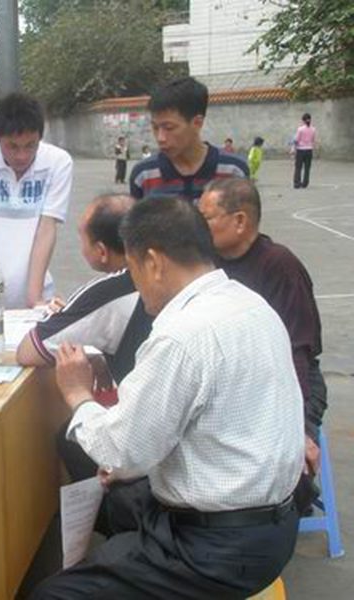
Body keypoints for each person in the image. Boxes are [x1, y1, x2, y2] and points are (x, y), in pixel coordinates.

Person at [34, 196, 304, 599]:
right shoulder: (251, 304)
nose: (135, 284)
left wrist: (77, 393)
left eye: (133, 269)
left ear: (154, 262)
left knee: (53, 594)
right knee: (118, 498)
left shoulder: (181, 335)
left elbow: (119, 451)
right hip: (275, 525)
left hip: (217, 548)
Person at [198, 177, 326, 483]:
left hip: (288, 378)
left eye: (206, 219)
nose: (198, 229)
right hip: (231, 379)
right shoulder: (205, 263)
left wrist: (297, 425)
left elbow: (297, 351)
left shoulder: (280, 266)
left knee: (279, 466)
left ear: (240, 221)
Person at [16, 194, 151, 385]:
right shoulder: (161, 273)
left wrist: (62, 316)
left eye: (82, 237)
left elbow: (28, 352)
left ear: (101, 251)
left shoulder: (106, 293)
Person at [0, 92, 73, 308]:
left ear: (40, 137)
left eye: (30, 145)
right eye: (12, 147)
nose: (22, 155)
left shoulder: (58, 162)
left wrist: (34, 298)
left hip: (36, 287)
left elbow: (46, 228)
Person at [130, 77, 249, 202]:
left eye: (169, 128)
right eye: (155, 128)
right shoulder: (144, 174)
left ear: (197, 123)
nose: (160, 138)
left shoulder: (234, 171)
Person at [292, 112, 316, 188]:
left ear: (303, 120)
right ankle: (305, 183)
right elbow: (313, 140)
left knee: (298, 167)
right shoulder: (313, 129)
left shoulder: (300, 129)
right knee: (307, 168)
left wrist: (293, 149)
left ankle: (297, 183)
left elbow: (296, 140)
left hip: (301, 150)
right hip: (309, 150)